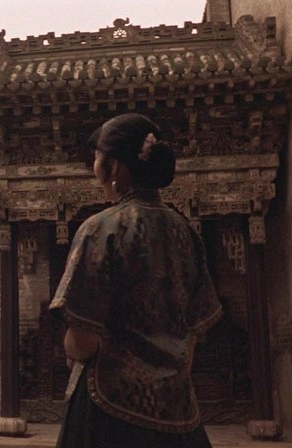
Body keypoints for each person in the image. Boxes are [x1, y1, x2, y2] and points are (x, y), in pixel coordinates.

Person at [49, 113, 223, 448]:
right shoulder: (186, 232)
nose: (95, 165)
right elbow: (193, 330)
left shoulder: (101, 229)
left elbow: (82, 341)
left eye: (97, 157)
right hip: (178, 410)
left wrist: (72, 349)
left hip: (109, 411)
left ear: (114, 167)